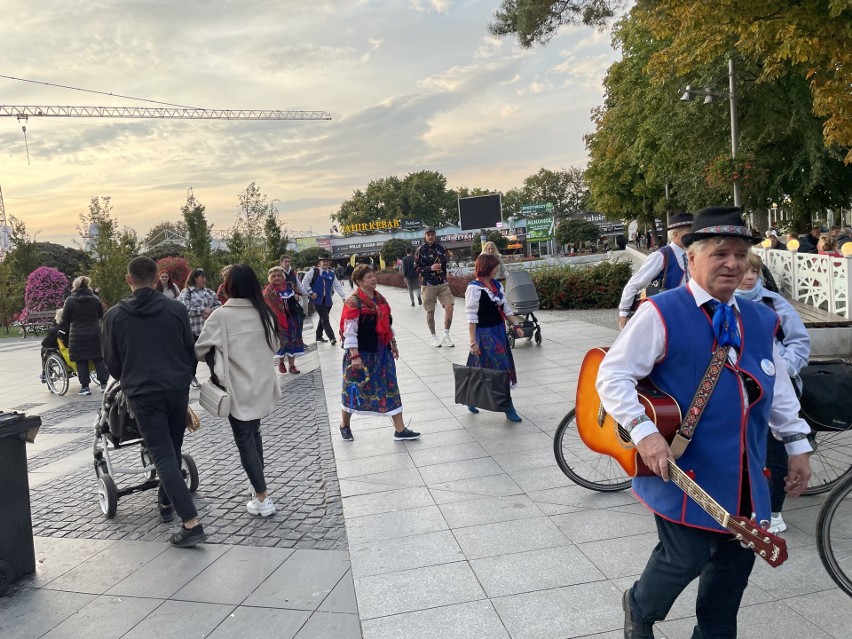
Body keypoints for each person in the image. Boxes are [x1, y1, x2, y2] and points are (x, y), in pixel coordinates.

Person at [596, 206, 812, 639]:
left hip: (747, 472)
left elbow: (778, 387)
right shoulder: (661, 311)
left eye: (739, 254)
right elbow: (612, 375)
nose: (732, 263)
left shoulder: (760, 318)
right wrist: (645, 433)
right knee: (686, 556)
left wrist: (796, 444)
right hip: (682, 467)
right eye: (719, 253)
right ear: (691, 257)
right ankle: (639, 608)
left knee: (732, 573)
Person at [101, 256, 206, 547]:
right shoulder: (175, 309)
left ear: (128, 280)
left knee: (162, 454)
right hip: (175, 388)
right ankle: (165, 502)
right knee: (172, 448)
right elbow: (189, 349)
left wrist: (130, 379)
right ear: (156, 277)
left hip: (143, 392)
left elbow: (112, 362)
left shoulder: (115, 315)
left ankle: (191, 523)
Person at [195, 264, 282, 518]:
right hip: (262, 383)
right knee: (254, 433)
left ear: (230, 286)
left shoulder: (221, 315)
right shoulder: (264, 311)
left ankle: (263, 497)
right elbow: (275, 345)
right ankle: (258, 488)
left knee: (245, 440)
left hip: (236, 386)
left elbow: (200, 350)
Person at [735, 252, 810, 535]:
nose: (750, 276)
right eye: (746, 271)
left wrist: (775, 371)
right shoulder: (721, 305)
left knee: (774, 450)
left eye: (755, 271)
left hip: (772, 393)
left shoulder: (773, 304)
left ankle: (774, 510)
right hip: (737, 397)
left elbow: (800, 344)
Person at [338, 264, 420, 442]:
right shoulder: (353, 302)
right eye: (368, 277)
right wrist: (355, 356)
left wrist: (393, 343)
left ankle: (400, 429)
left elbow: (387, 325)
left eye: (373, 275)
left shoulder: (380, 300)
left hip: (382, 351)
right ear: (359, 282)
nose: (373, 278)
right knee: (354, 388)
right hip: (361, 353)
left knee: (391, 386)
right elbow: (349, 331)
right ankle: (344, 425)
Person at [465, 254, 524, 422]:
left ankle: (471, 397)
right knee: (500, 369)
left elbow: (506, 309)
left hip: (498, 331)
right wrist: (473, 342)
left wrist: (516, 325)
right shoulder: (474, 288)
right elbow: (471, 316)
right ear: (486, 268)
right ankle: (508, 407)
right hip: (483, 334)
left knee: (479, 367)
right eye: (494, 266)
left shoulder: (496, 285)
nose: (497, 269)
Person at [617, 213, 693, 330]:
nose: (693, 236)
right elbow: (634, 284)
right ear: (676, 235)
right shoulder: (661, 256)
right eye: (689, 232)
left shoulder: (692, 254)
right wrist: (624, 313)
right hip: (667, 315)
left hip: (689, 312)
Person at [60, 276, 109, 396]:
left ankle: (85, 387)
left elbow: (65, 318)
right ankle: (104, 384)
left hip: (78, 334)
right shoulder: (95, 299)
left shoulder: (70, 300)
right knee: (98, 358)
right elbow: (99, 315)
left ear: (75, 286)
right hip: (94, 332)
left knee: (81, 360)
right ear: (88, 285)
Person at [178, 268, 221, 388]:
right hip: (193, 330)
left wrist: (211, 310)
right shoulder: (187, 292)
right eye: (202, 277)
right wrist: (202, 310)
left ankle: (215, 378)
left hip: (209, 330)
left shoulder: (209, 292)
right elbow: (184, 308)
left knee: (211, 355)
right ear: (195, 278)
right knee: (193, 357)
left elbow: (219, 306)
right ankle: (191, 376)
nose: (204, 279)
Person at [416, 227, 455, 347]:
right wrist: (430, 268)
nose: (430, 236)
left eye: (432, 234)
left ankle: (446, 335)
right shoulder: (420, 250)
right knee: (430, 312)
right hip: (428, 284)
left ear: (435, 235)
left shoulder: (442, 248)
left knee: (449, 307)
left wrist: (443, 276)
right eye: (428, 234)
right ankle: (433, 337)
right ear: (425, 236)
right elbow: (416, 268)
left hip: (442, 283)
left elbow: (444, 265)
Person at [263, 266, 305, 374]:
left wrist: (297, 297)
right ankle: (281, 362)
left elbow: (299, 296)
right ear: (270, 277)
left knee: (294, 340)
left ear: (283, 276)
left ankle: (292, 366)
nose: (277, 278)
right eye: (274, 276)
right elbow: (267, 305)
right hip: (278, 320)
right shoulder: (269, 289)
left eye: (279, 276)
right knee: (282, 342)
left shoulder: (290, 286)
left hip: (293, 318)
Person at [305, 254, 346, 344]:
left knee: (323, 318)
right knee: (325, 318)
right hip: (317, 299)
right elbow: (305, 282)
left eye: (327, 261)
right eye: (323, 261)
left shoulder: (331, 273)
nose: (325, 263)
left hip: (327, 300)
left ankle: (318, 335)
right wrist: (311, 292)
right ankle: (332, 337)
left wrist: (343, 296)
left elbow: (337, 285)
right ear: (319, 263)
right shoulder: (314, 272)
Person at [39, 309, 67, 383]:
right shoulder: (72, 326)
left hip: (62, 350)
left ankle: (45, 372)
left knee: (44, 349)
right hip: (75, 347)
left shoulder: (55, 329)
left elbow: (45, 343)